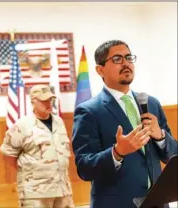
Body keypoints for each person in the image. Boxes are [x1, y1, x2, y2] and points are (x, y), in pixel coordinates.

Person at [72, 40, 178, 208]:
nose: (126, 63)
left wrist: (160, 137)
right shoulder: (88, 111)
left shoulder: (151, 103)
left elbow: (172, 155)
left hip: (158, 202)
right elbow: (84, 168)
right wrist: (117, 152)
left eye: (129, 57)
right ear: (100, 70)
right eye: (117, 59)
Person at [0, 84, 74, 208]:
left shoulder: (59, 122)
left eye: (50, 100)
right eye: (44, 101)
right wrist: (29, 173)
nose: (49, 104)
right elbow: (8, 154)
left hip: (62, 189)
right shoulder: (22, 125)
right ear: (33, 102)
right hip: (36, 193)